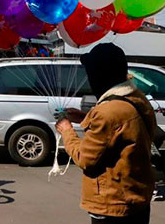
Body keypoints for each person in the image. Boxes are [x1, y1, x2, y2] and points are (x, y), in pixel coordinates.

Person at [55, 43, 155, 224]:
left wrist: (67, 130)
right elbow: (119, 130)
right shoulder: (136, 98)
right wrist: (85, 118)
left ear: (99, 75)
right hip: (136, 197)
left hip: (113, 204)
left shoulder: (107, 112)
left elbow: (86, 159)